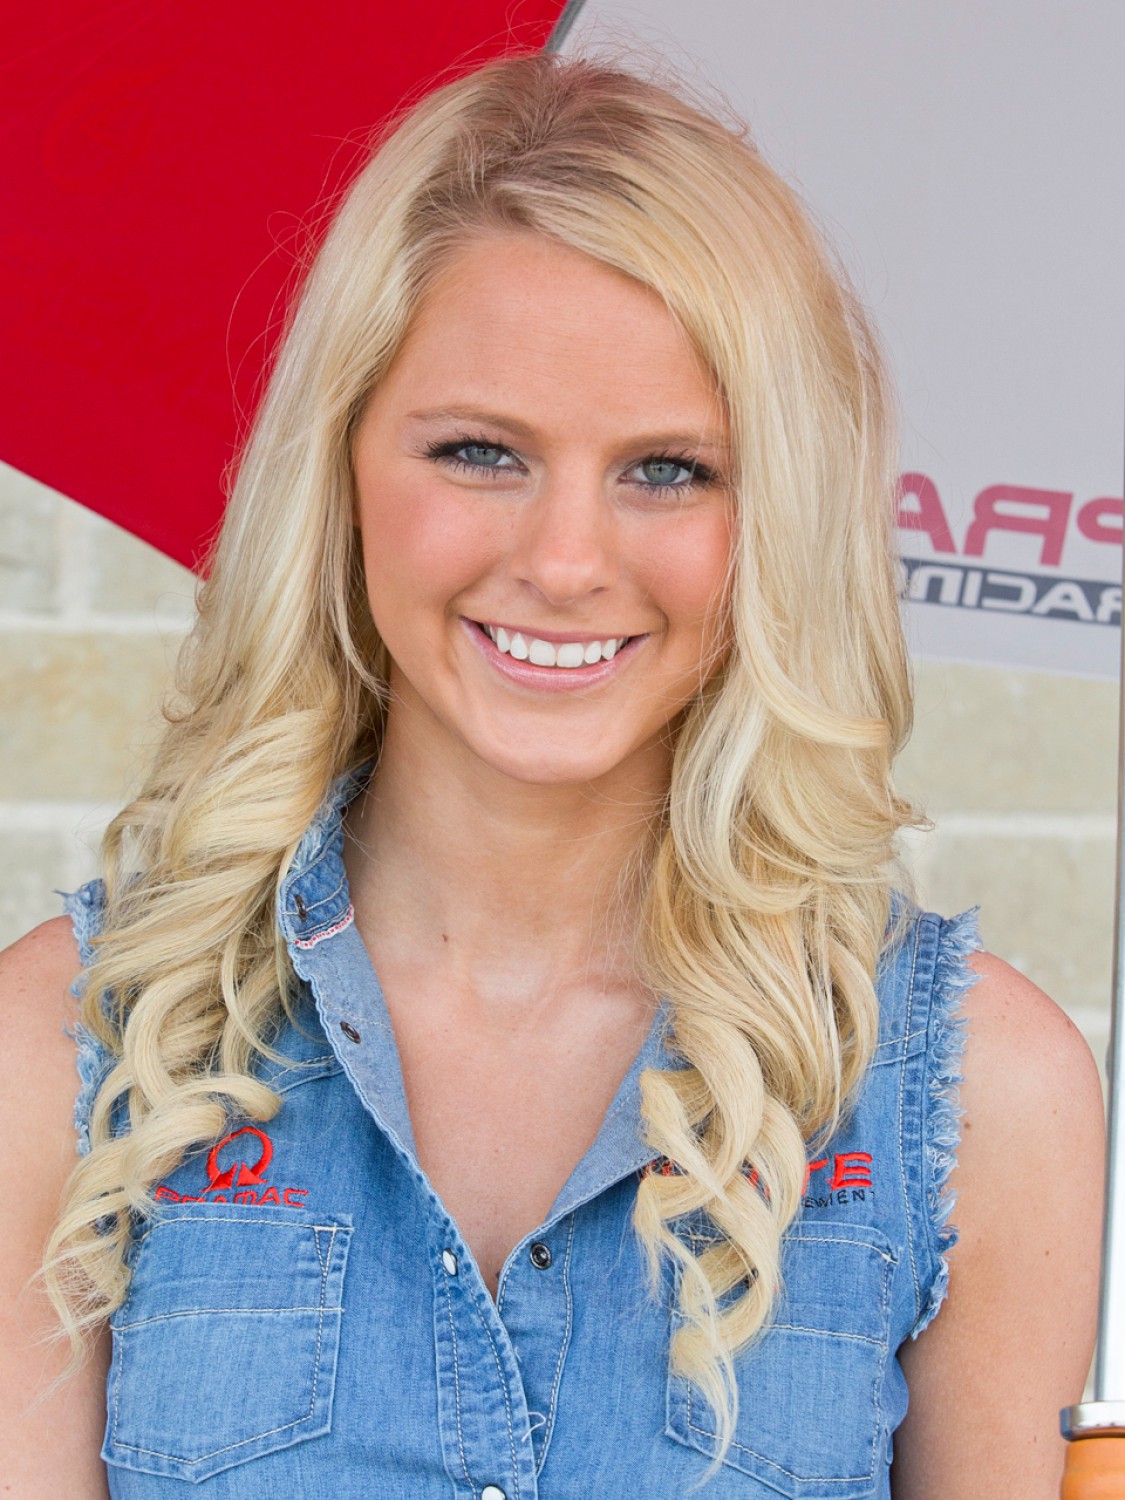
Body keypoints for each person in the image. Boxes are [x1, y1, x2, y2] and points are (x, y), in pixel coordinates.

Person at [0, 52, 1105, 1499]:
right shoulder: (67, 1053)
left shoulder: (974, 1099)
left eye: (668, 470)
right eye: (478, 451)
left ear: (775, 512)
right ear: (337, 472)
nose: (566, 562)